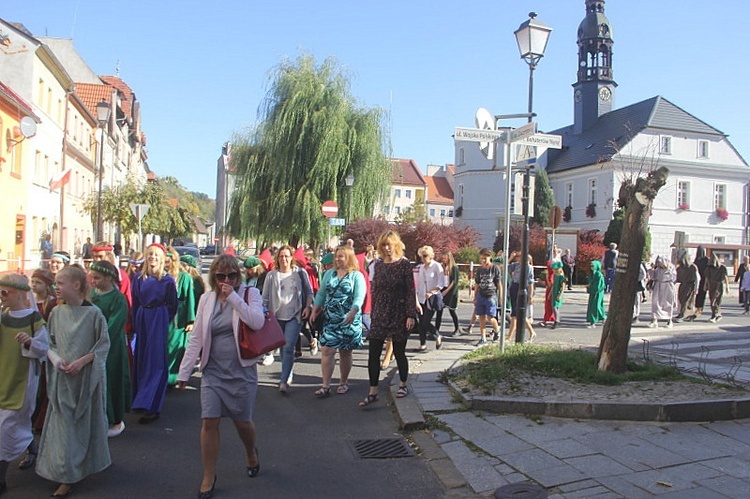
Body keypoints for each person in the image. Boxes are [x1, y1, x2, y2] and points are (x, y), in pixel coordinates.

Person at [177, 255, 264, 498]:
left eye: (232, 276)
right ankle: (208, 475)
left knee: (242, 422)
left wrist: (234, 297)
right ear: (213, 277)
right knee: (209, 421)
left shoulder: (249, 294)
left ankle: (250, 452)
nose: (227, 280)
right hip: (213, 371)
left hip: (241, 371)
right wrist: (185, 371)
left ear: (239, 276)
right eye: (221, 276)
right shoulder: (207, 298)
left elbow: (256, 322)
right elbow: (197, 338)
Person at [36, 265, 110, 497]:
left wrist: (82, 362)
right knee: (64, 427)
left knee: (82, 425)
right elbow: (51, 343)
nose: (55, 287)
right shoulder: (57, 313)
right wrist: (58, 361)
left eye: (60, 283)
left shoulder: (94, 314)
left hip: (85, 378)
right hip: (63, 378)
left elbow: (102, 346)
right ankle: (65, 473)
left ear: (76, 286)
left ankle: (81, 466)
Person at [0, 273, 48, 495]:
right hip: (3, 375)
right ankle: (32, 448)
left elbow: (44, 347)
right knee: (9, 424)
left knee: (7, 426)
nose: (2, 297)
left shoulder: (33, 319)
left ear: (19, 294)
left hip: (24, 378)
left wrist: (30, 342)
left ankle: (1, 477)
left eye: (4, 293)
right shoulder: (2, 315)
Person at [360, 230, 417, 406]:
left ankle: (402, 384)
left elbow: (410, 291)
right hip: (380, 312)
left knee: (399, 352)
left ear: (396, 245)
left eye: (389, 244)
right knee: (373, 352)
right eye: (383, 245)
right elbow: (375, 289)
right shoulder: (378, 265)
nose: (386, 248)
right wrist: (372, 309)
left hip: (399, 311)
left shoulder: (404, 265)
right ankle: (373, 391)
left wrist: (410, 314)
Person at [131, 243, 178, 423]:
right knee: (142, 359)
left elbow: (172, 305)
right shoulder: (138, 278)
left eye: (156, 255)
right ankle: (140, 399)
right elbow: (135, 301)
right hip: (143, 316)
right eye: (150, 254)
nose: (153, 257)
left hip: (158, 317)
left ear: (162, 258)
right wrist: (136, 321)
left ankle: (152, 405)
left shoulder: (167, 281)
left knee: (156, 361)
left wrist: (162, 319)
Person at [310, 246, 365, 397]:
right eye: (337, 256)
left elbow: (359, 297)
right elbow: (322, 293)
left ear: (349, 257)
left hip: (348, 319)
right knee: (327, 350)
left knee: (345, 352)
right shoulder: (329, 274)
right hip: (330, 318)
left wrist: (354, 311)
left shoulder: (356, 276)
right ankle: (325, 385)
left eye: (341, 256)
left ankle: (343, 382)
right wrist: (315, 309)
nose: (337, 259)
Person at [261, 245, 313, 393]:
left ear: (292, 258)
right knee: (282, 346)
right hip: (276, 316)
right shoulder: (271, 275)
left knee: (289, 346)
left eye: (287, 256)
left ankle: (283, 381)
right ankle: (288, 372)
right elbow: (264, 298)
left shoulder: (300, 273)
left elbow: (309, 293)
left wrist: (307, 307)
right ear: (277, 259)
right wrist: (265, 311)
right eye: (281, 256)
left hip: (294, 315)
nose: (284, 259)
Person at [89, 261, 131, 438]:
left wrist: (100, 339)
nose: (93, 281)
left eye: (97, 278)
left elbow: (114, 325)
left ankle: (115, 419)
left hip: (112, 347)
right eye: (92, 277)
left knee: (111, 379)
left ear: (108, 278)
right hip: (92, 344)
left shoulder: (118, 298)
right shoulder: (91, 295)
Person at [29, 269, 57, 434]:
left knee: (44, 385)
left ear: (47, 285)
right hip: (31, 347)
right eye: (32, 282)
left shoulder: (51, 304)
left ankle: (42, 420)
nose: (34, 285)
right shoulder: (28, 301)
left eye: (38, 282)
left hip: (45, 346)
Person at [165, 246, 196, 386]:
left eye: (168, 261)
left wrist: (191, 320)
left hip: (179, 317)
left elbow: (190, 298)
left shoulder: (184, 277)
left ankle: (172, 377)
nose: (166, 264)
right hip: (165, 316)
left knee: (176, 346)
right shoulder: (161, 277)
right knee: (165, 347)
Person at [416, 245, 444, 351]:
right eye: (421, 256)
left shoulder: (437, 266)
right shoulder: (422, 267)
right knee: (421, 322)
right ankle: (422, 344)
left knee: (426, 322)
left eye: (425, 256)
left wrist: (432, 292)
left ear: (431, 256)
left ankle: (437, 336)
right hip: (421, 297)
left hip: (432, 297)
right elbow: (419, 282)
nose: (423, 258)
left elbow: (441, 283)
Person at [471, 248, 502, 346]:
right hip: (481, 294)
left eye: (485, 258)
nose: (483, 260)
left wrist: (500, 296)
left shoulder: (494, 268)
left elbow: (498, 283)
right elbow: (477, 283)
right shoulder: (480, 269)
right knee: (481, 317)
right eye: (481, 258)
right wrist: (475, 296)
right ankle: (483, 337)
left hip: (491, 295)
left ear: (490, 257)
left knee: (490, 317)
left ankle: (497, 329)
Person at [435, 251, 460, 337]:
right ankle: (436, 330)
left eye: (445, 258)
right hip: (443, 289)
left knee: (452, 310)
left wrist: (447, 291)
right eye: (443, 258)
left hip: (451, 291)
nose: (444, 260)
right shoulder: (443, 267)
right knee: (439, 310)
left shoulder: (454, 268)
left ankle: (457, 329)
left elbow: (454, 281)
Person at [648, 255, 676, 329]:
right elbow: (653, 277)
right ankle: (654, 321)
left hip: (668, 286)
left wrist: (668, 269)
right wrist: (651, 269)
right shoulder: (657, 269)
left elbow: (673, 277)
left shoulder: (671, 267)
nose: (660, 264)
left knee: (668, 303)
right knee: (656, 303)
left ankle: (669, 321)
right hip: (658, 285)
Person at [675, 251, 699, 323]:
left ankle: (684, 315)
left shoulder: (693, 267)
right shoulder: (680, 268)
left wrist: (696, 288)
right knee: (681, 299)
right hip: (683, 285)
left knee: (687, 300)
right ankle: (681, 313)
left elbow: (697, 278)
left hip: (690, 285)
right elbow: (677, 277)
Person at [704, 253, 729, 323]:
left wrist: (727, 286)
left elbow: (725, 277)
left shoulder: (722, 267)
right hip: (711, 285)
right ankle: (715, 314)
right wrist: (706, 286)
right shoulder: (709, 267)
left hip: (719, 285)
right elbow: (707, 277)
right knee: (712, 300)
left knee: (716, 300)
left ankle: (716, 314)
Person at [586, 260, 607, 328]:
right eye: (591, 266)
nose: (591, 267)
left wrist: (591, 287)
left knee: (595, 306)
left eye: (593, 266)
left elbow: (599, 285)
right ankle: (603, 318)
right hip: (593, 292)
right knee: (595, 306)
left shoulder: (599, 275)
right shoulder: (592, 274)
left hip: (597, 293)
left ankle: (593, 322)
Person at [692, 245, 709, 320]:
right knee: (699, 294)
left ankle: (699, 308)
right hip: (701, 279)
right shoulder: (703, 260)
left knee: (701, 294)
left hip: (702, 280)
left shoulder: (701, 260)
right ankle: (698, 308)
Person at [550, 261, 565, 328]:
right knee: (554, 307)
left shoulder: (561, 277)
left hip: (558, 293)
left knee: (555, 307)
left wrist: (560, 295)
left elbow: (563, 287)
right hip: (554, 292)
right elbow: (553, 285)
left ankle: (557, 320)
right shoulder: (555, 275)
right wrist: (550, 293)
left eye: (555, 269)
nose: (554, 270)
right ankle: (557, 319)